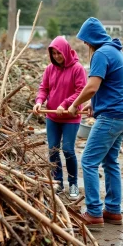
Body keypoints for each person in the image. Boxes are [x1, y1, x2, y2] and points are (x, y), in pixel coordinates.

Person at [68, 17, 123, 228]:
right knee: (110, 161)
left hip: (112, 117)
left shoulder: (101, 54)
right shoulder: (116, 51)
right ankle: (113, 211)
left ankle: (94, 213)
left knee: (88, 161)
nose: (86, 45)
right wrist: (95, 106)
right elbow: (115, 87)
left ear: (91, 39)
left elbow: (91, 87)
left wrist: (75, 105)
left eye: (86, 41)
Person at [33, 36, 87, 199]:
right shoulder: (50, 68)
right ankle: (57, 182)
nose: (57, 56)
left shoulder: (77, 69)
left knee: (68, 150)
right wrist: (39, 101)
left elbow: (81, 91)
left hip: (70, 116)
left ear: (66, 51)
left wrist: (65, 104)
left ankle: (73, 184)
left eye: (59, 53)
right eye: (53, 53)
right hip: (52, 116)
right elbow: (44, 88)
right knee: (53, 149)